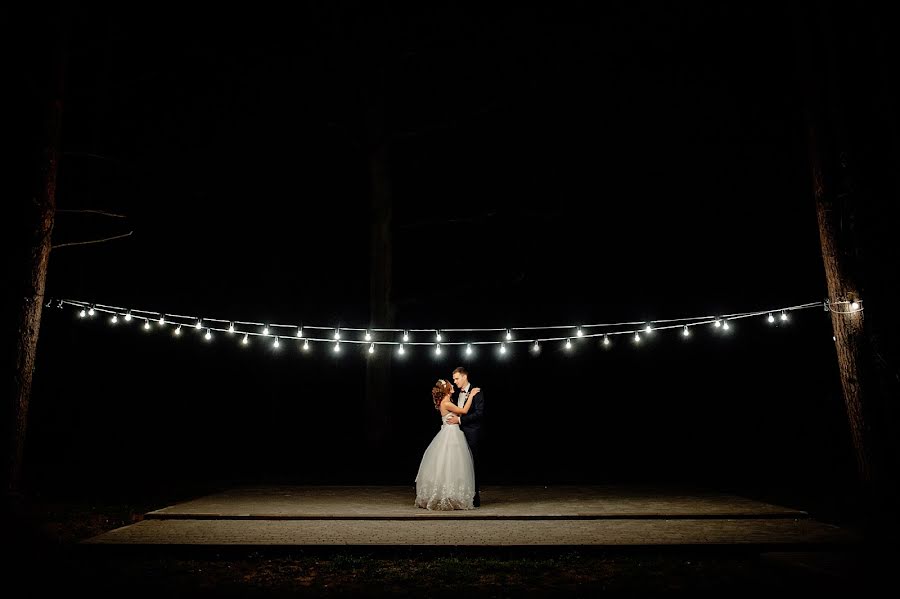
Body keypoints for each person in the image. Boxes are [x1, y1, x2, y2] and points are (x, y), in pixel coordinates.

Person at [414, 379, 481, 510]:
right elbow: (464, 411)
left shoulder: (446, 402)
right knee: (451, 463)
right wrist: (472, 395)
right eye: (451, 386)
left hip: (451, 432)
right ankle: (447, 495)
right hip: (451, 434)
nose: (453, 387)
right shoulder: (446, 403)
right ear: (446, 389)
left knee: (452, 464)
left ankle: (452, 495)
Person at [447, 366, 484, 507]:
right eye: (454, 379)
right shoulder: (456, 394)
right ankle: (462, 496)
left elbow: (479, 414)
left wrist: (460, 420)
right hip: (457, 433)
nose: (455, 382)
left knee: (472, 464)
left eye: (456, 378)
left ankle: (475, 497)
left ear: (464, 377)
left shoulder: (477, 392)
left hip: (472, 433)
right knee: (460, 465)